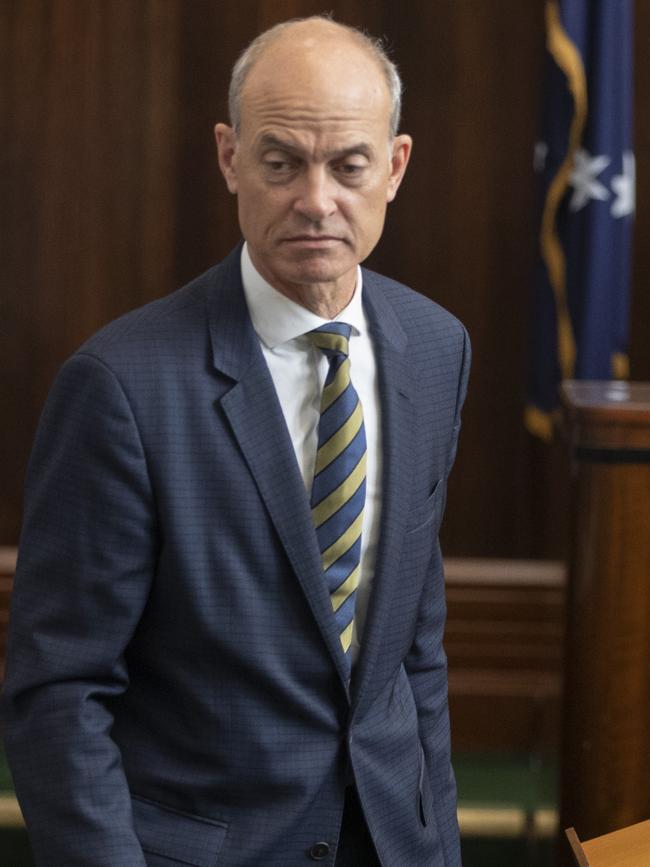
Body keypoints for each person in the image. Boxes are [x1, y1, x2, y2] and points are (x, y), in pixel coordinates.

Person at [2, 15, 470, 867]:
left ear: (395, 167)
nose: (316, 199)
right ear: (230, 158)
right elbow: (59, 693)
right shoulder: (120, 387)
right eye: (282, 161)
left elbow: (415, 653)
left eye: (349, 165)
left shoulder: (439, 349)